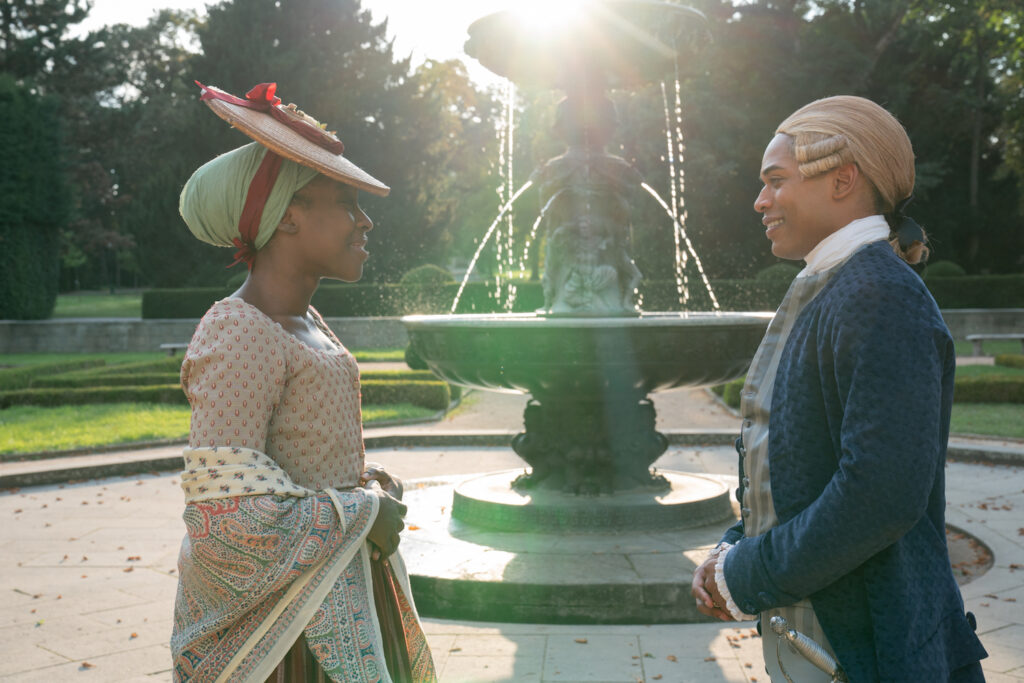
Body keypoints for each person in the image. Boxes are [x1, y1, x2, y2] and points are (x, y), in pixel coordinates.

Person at [690, 96, 988, 682]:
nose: (760, 200)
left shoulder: (880, 294)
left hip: (874, 647)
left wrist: (746, 574)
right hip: (834, 636)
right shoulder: (838, 286)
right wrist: (733, 549)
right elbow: (802, 469)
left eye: (776, 181)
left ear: (843, 179)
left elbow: (880, 494)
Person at [169, 81, 436, 682]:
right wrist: (360, 509)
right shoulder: (240, 331)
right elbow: (224, 522)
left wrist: (362, 487)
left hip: (338, 597)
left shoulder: (306, 321)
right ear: (287, 216)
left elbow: (304, 469)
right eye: (344, 201)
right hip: (286, 640)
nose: (364, 221)